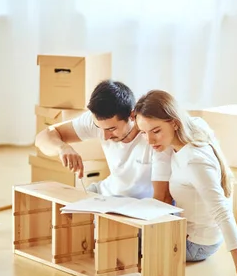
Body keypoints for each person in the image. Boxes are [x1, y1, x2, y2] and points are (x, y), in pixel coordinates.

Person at [134, 89, 237, 276]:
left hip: (198, 245)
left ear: (174, 122)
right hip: (191, 232)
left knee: (128, 236)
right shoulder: (185, 140)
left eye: (155, 131)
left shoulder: (194, 161)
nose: (149, 141)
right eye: (143, 133)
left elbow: (222, 212)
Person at [35, 80, 170, 200]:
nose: (105, 136)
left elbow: (161, 198)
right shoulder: (99, 122)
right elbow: (43, 137)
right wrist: (62, 148)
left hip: (139, 205)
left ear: (132, 116)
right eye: (99, 128)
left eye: (111, 129)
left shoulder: (153, 136)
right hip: (105, 194)